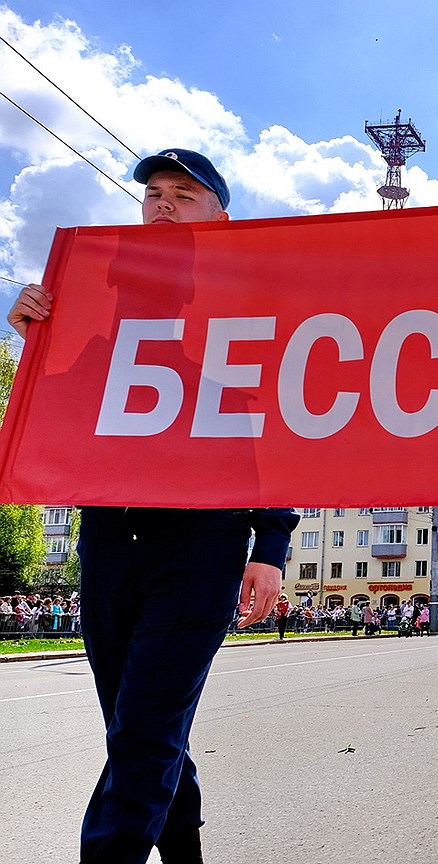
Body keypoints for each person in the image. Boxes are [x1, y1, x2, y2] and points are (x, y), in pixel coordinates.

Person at [6, 148, 300, 864]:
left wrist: (270, 548)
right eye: (154, 194)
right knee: (139, 728)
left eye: (183, 194)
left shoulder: (258, 303)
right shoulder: (102, 297)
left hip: (200, 547)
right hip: (109, 541)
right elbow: (66, 411)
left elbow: (286, 431)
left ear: (221, 217)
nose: (162, 203)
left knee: (143, 731)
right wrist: (35, 342)